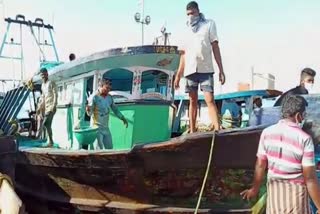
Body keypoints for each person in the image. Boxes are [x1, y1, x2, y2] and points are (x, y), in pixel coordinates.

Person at [241, 95, 320, 214]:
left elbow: (260, 165)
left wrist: (254, 189)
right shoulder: (304, 139)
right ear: (299, 116)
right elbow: (309, 178)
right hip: (296, 197)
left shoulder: (267, 133)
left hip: (275, 194)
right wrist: (319, 205)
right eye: (304, 115)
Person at [174, 1, 226, 133]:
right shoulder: (184, 30)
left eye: (192, 13)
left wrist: (221, 70)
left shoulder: (209, 24)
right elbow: (183, 55)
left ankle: (217, 129)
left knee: (209, 99)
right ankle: (192, 130)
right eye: (188, 14)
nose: (190, 16)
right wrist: (178, 75)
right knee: (192, 100)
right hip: (190, 70)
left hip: (206, 68)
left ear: (198, 11)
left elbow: (215, 47)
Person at [86, 79, 128, 150]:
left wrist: (122, 118)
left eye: (109, 88)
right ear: (101, 86)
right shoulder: (94, 97)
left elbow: (115, 109)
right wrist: (88, 109)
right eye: (106, 88)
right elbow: (90, 113)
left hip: (106, 128)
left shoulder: (109, 97)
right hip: (96, 128)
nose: (108, 90)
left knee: (110, 148)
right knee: (98, 149)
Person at [38, 67, 58, 147]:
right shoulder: (42, 85)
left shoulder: (51, 82)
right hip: (46, 107)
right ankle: (51, 141)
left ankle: (50, 141)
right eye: (42, 75)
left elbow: (56, 94)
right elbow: (43, 97)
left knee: (45, 123)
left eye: (44, 74)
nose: (43, 76)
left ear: (47, 74)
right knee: (48, 125)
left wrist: (54, 105)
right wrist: (40, 108)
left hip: (51, 107)